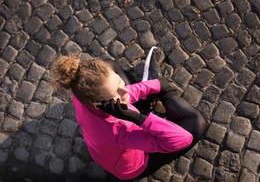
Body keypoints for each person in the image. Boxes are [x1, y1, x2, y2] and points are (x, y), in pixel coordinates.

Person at [50, 52, 208, 181]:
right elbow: (181, 139)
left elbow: (120, 90)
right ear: (100, 104)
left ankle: (148, 101)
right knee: (197, 123)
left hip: (107, 147)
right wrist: (139, 118)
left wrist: (154, 85)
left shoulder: (80, 93)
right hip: (134, 166)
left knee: (109, 65)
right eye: (116, 94)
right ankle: (155, 106)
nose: (125, 91)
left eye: (120, 83)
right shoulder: (120, 130)